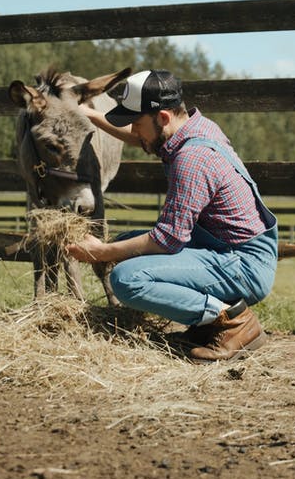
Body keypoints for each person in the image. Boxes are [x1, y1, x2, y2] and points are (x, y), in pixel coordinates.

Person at [67, 69, 278, 363]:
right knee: (128, 246)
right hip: (228, 249)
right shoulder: (193, 127)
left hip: (243, 264)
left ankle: (233, 322)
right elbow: (138, 136)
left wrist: (102, 252)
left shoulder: (192, 158)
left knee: (128, 278)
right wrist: (88, 114)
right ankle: (205, 325)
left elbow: (167, 239)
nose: (135, 132)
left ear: (163, 117)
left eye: (137, 123)